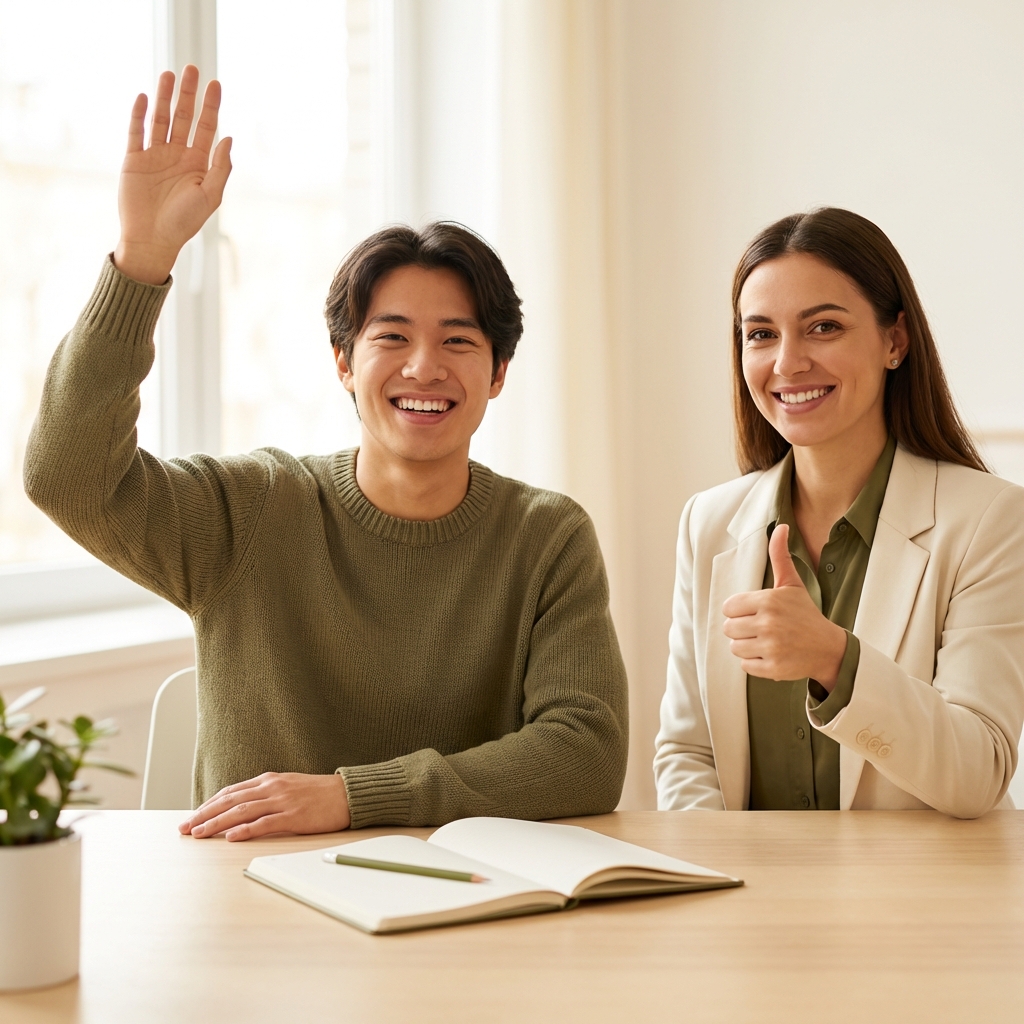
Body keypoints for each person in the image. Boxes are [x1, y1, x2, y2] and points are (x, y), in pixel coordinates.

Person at [24, 67, 628, 841]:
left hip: (469, 911)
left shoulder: (547, 536)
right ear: (344, 363)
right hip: (258, 903)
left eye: (458, 342)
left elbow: (587, 752)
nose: (423, 368)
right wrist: (142, 258)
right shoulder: (252, 510)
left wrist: (354, 797)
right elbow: (66, 478)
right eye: (392, 338)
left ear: (498, 372)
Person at [654, 207, 1024, 818]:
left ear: (894, 341)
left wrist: (832, 658)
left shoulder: (990, 521)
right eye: (761, 333)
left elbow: (977, 771)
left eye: (823, 327)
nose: (787, 362)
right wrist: (721, 884)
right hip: (751, 901)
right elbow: (689, 754)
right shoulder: (708, 521)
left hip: (923, 903)